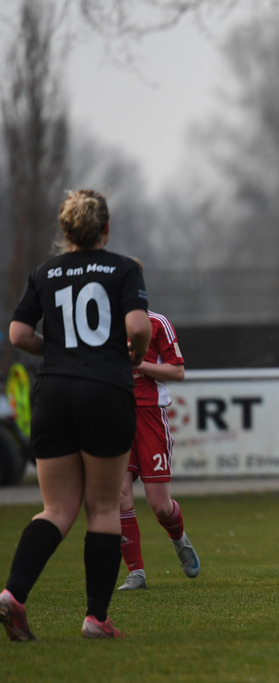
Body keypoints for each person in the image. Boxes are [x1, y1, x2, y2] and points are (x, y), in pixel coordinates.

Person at [1, 189, 152, 640]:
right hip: (104, 390)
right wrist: (133, 355)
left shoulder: (44, 272)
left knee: (56, 508)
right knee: (103, 507)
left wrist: (60, 350)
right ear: (106, 229)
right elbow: (139, 326)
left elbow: (18, 333)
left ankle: (12, 594)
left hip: (54, 393)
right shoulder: (124, 268)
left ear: (65, 233)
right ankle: (96, 619)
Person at [117, 291, 200, 591]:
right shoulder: (105, 327)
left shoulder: (156, 323)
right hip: (116, 416)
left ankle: (179, 539)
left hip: (151, 416)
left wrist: (139, 366)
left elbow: (177, 372)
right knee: (120, 495)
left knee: (161, 506)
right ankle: (136, 572)